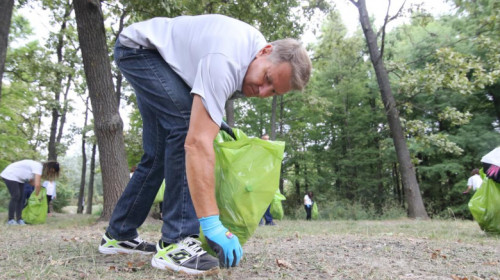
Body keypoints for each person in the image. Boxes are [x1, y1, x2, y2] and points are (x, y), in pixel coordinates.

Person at [98, 14, 311, 275]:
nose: (263, 92)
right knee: (185, 127)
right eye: (267, 79)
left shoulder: (248, 57)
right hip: (141, 51)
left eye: (274, 91)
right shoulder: (227, 59)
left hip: (161, 61)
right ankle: (176, 242)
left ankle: (118, 234)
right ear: (265, 51)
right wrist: (212, 224)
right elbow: (197, 143)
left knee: (157, 156)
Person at [1, 160, 60, 225]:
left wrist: (38, 188)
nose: (50, 173)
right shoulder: (38, 167)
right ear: (49, 167)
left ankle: (19, 219)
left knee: (21, 197)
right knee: (16, 196)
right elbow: (37, 185)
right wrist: (37, 196)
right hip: (10, 174)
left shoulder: (37, 169)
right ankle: (10, 220)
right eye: (51, 171)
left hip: (19, 179)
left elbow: (32, 182)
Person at [258, 134, 276, 226]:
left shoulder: (271, 151)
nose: (266, 141)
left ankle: (268, 221)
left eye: (268, 139)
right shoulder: (257, 150)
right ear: (261, 140)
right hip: (258, 179)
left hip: (267, 179)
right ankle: (259, 220)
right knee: (258, 200)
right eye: (264, 139)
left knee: (267, 200)